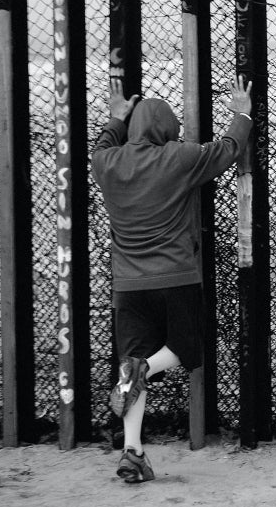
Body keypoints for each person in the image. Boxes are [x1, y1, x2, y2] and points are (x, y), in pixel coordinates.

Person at [92, 75, 252, 483]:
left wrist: (116, 119)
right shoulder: (177, 158)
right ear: (166, 131)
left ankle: (133, 452)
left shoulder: (106, 164)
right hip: (175, 276)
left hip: (127, 285)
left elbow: (103, 144)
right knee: (183, 347)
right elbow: (228, 150)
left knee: (130, 367)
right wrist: (241, 114)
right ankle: (145, 368)